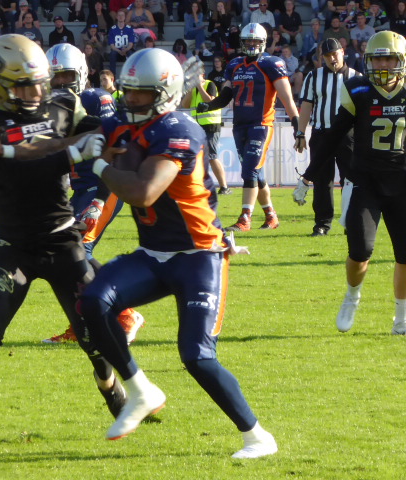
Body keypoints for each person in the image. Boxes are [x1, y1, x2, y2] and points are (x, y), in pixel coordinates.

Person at [78, 47, 278, 459]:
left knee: (197, 356)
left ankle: (257, 436)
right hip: (153, 254)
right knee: (93, 301)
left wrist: (96, 162)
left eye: (141, 94)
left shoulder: (179, 130)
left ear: (164, 95)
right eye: (129, 91)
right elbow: (79, 129)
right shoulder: (121, 122)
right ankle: (140, 391)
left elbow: (143, 192)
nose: (131, 100)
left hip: (199, 255)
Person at [0, 34, 122, 459]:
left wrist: (106, 136)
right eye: (23, 86)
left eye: (39, 83)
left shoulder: (63, 105)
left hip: (62, 239)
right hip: (13, 244)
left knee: (92, 334)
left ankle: (111, 386)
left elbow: (103, 137)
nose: (35, 93)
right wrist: (71, 151)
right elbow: (15, 173)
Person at [42, 42, 145, 344]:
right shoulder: (50, 105)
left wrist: (100, 199)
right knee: (70, 256)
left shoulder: (95, 98)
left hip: (104, 185)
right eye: (56, 76)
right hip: (80, 188)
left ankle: (123, 314)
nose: (62, 82)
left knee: (77, 253)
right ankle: (85, 323)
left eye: (67, 75)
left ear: (82, 73)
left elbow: (117, 147)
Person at [322, 31, 406, 335]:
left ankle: (402, 317)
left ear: (401, 60)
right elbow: (336, 134)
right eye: (377, 59)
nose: (383, 65)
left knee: (405, 254)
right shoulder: (358, 88)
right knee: (360, 251)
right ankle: (352, 295)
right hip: (366, 180)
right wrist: (311, 173)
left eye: (389, 58)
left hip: (402, 182)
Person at [199, 23, 299, 231]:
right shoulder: (235, 64)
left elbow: (287, 99)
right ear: (242, 43)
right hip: (240, 126)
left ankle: (245, 218)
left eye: (256, 41)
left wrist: (298, 127)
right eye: (248, 41)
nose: (252, 44)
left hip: (261, 124)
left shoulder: (271, 63)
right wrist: (209, 105)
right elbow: (226, 96)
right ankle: (271, 216)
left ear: (263, 42)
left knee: (250, 171)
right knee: (257, 174)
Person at [292, 38, 360, 236]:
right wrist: (300, 133)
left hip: (348, 135)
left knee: (350, 180)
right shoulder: (314, 76)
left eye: (335, 54)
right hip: (322, 133)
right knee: (322, 181)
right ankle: (322, 224)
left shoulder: (356, 77)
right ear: (322, 57)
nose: (332, 59)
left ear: (342, 52)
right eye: (327, 56)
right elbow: (307, 105)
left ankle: (350, 222)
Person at [181, 60, 232, 195]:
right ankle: (199, 185)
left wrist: (200, 87)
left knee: (212, 156)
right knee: (196, 156)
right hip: (197, 127)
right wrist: (191, 90)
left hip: (211, 125)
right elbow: (185, 105)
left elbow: (211, 101)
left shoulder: (210, 84)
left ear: (202, 74)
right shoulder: (191, 89)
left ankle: (224, 187)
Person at [108, 9, 136, 73]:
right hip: (116, 50)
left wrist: (126, 49)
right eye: (119, 15)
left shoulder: (129, 29)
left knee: (131, 54)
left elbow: (131, 43)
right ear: (116, 17)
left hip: (127, 50)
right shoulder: (112, 29)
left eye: (122, 15)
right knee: (112, 54)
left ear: (125, 17)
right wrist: (119, 51)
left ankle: (130, 74)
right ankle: (112, 75)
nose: (120, 17)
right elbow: (112, 45)